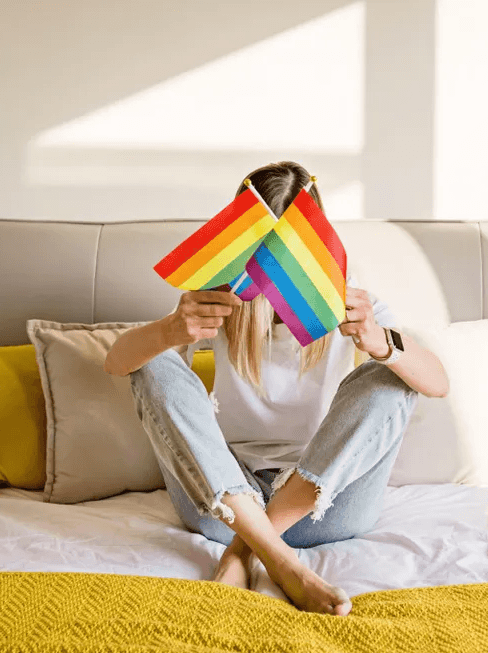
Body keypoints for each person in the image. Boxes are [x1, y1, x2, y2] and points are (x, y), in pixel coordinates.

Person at [105, 161, 448, 616]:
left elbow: (438, 383)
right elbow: (117, 363)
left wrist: (381, 342)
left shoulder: (351, 301)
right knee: (155, 366)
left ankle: (249, 551)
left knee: (391, 376)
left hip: (322, 505)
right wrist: (170, 330)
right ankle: (284, 563)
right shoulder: (217, 297)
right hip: (225, 502)